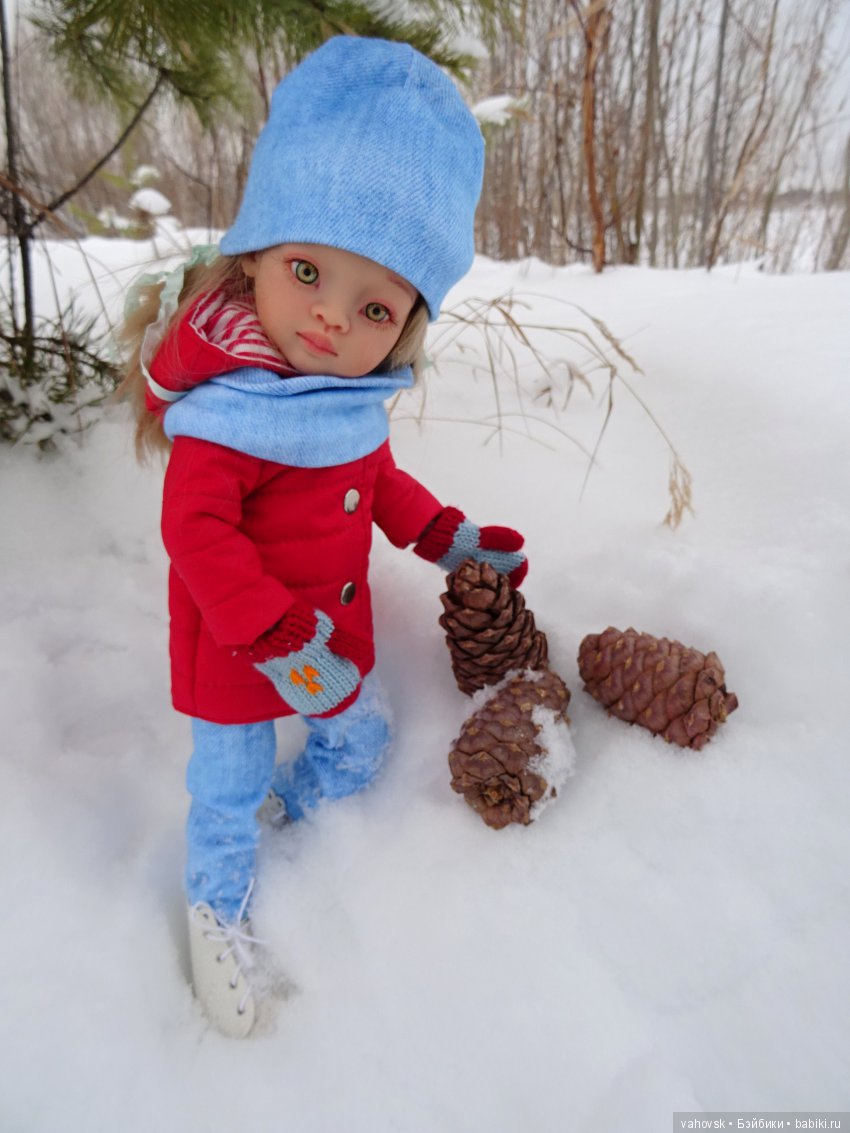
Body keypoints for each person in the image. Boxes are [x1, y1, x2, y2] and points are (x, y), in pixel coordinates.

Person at [119, 35, 528, 1039]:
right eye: (308, 270)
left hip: (328, 648)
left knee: (364, 738)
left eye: (374, 305)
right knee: (227, 780)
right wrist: (268, 635)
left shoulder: (347, 406)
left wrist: (452, 540)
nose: (331, 321)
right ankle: (218, 898)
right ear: (256, 253)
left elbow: (377, 486)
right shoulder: (224, 416)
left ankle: (299, 816)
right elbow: (197, 532)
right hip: (242, 650)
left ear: (406, 325)